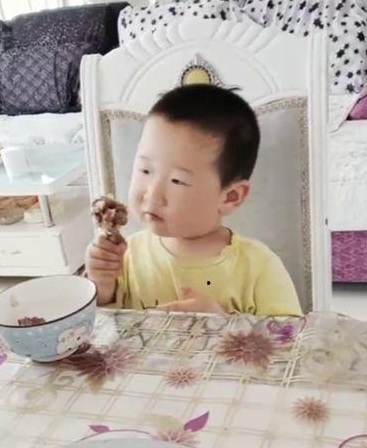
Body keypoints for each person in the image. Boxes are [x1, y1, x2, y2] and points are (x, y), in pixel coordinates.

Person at [85, 84, 302, 317]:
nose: (152, 194)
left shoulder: (258, 267)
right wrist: (101, 284)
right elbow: (103, 326)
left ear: (231, 197)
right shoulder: (127, 256)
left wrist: (222, 323)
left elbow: (291, 335)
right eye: (145, 170)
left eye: (177, 181)